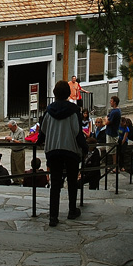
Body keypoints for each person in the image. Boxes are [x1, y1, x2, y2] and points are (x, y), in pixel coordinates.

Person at [38, 79, 82, 226]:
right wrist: (85, 147)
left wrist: (39, 142)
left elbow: (42, 132)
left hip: (53, 150)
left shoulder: (49, 111)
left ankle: (53, 217)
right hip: (70, 150)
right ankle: (71, 210)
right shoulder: (73, 111)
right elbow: (77, 132)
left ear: (55, 93)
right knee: (72, 181)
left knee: (55, 183)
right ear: (68, 93)